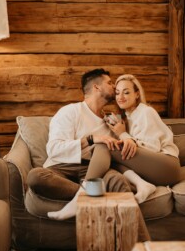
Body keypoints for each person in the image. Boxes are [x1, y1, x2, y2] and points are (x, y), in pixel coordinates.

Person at [28, 68, 134, 221]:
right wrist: (90, 139)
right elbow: (54, 149)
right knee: (36, 176)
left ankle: (137, 241)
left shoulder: (111, 120)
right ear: (96, 87)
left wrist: (123, 134)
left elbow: (118, 152)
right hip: (61, 168)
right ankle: (92, 195)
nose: (115, 87)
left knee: (119, 180)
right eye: (110, 83)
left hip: (94, 169)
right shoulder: (70, 112)